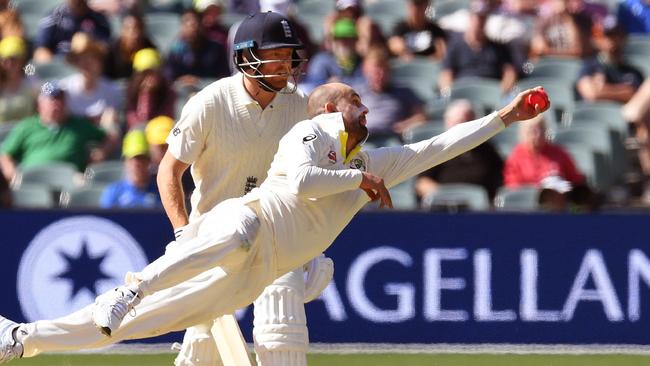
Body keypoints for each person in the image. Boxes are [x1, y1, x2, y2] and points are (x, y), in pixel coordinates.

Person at [0, 83, 549, 364]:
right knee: (228, 234)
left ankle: (22, 339)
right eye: (353, 100)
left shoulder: (372, 163)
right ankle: (132, 285)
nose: (364, 107)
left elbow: (436, 147)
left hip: (260, 271)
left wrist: (504, 117)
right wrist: (356, 182)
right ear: (329, 111)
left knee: (131, 328)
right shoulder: (306, 136)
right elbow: (305, 184)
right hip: (248, 224)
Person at [157, 12, 329, 366]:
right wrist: (182, 234)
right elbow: (168, 172)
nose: (287, 64)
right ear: (246, 57)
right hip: (216, 235)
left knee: (282, 328)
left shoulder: (300, 106)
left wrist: (313, 245)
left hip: (276, 233)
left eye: (290, 55)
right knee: (204, 349)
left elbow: (313, 178)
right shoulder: (210, 103)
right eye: (277, 55)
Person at [0, 83, 112, 182]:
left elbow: (110, 135)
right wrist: (12, 174)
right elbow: (5, 154)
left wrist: (103, 151)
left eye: (60, 99)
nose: (57, 103)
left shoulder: (78, 125)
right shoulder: (27, 126)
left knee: (83, 185)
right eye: (51, 99)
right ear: (39, 105)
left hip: (70, 179)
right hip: (33, 180)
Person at [416, 99, 503, 202]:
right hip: (444, 209)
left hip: (479, 210)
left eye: (468, 122)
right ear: (447, 123)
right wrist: (445, 196)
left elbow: (501, 179)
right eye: (459, 123)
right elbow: (422, 183)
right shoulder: (437, 148)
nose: (464, 128)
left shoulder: (487, 150)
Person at [438, 0, 517, 94]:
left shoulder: (498, 48)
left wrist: (502, 92)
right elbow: (446, 74)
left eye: (483, 18)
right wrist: (450, 93)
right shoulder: (456, 46)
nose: (480, 21)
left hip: (490, 93)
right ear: (470, 17)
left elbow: (509, 73)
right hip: (464, 93)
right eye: (478, 17)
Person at [355, 46, 427, 137]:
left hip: (392, 141)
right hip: (365, 140)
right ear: (365, 70)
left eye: (383, 71)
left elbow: (421, 117)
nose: (380, 76)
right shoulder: (357, 94)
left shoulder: (404, 92)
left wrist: (404, 125)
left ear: (389, 70)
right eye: (375, 72)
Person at [59, 32, 123, 130]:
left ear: (99, 61)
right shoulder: (64, 88)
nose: (86, 63)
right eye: (80, 59)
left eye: (91, 57)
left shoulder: (113, 91)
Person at [164, 9, 230, 90]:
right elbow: (168, 78)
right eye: (187, 22)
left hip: (210, 90)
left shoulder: (216, 49)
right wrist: (182, 80)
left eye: (195, 22)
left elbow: (224, 77)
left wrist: (200, 81)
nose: (192, 26)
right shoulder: (175, 50)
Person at [32, 0, 111, 63]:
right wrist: (55, 68)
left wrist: (89, 45)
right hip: (60, 67)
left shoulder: (99, 20)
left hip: (87, 69)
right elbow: (41, 51)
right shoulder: (54, 16)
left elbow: (104, 50)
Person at [100, 130, 161, 209]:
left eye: (142, 158)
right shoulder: (113, 192)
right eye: (132, 159)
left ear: (149, 161)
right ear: (125, 161)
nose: (137, 164)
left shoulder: (160, 191)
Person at [303, 18, 365, 92]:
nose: (343, 43)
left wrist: (339, 84)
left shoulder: (364, 62)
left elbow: (369, 87)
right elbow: (312, 86)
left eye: (348, 38)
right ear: (332, 41)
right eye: (339, 38)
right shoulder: (321, 61)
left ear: (356, 40)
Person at [125, 48, 175, 129]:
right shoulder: (130, 94)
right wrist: (146, 94)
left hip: (163, 132)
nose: (148, 78)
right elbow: (139, 122)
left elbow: (168, 118)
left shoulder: (170, 93)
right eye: (144, 73)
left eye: (152, 73)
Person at [104, 12, 157, 80]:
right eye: (130, 29)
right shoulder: (110, 51)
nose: (136, 34)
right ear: (122, 30)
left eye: (139, 28)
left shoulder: (150, 49)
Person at [0, 36, 37, 123]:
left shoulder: (31, 78)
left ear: (22, 60)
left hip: (27, 132)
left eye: (13, 60)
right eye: (4, 60)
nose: (9, 64)